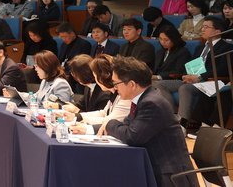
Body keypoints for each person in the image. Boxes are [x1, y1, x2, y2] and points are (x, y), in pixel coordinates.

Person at [103, 56, 198, 187]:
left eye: (115, 83)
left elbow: (131, 136)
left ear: (132, 84)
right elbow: (126, 126)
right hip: (155, 168)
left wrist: (109, 124)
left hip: (169, 177)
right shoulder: (144, 98)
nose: (114, 88)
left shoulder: (151, 103)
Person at [168, 16, 232, 134]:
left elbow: (223, 69)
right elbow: (192, 65)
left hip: (210, 80)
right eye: (202, 26)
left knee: (186, 88)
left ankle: (183, 124)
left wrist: (200, 77)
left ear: (217, 31)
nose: (202, 29)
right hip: (195, 80)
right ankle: (169, 119)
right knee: (160, 85)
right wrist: (186, 75)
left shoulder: (226, 47)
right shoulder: (200, 47)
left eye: (206, 27)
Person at [63, 54, 129, 134]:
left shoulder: (125, 97)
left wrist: (86, 128)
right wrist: (77, 116)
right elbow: (103, 113)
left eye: (95, 76)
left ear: (102, 77)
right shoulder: (114, 93)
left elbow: (109, 121)